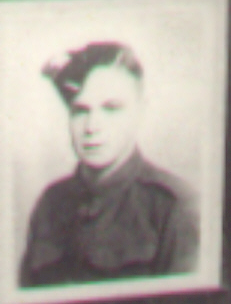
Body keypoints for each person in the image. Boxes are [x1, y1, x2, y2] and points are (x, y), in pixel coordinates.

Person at [19, 41, 199, 288]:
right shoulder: (51, 202)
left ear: (140, 112)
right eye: (80, 111)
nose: (92, 127)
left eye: (111, 109)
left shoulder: (173, 207)